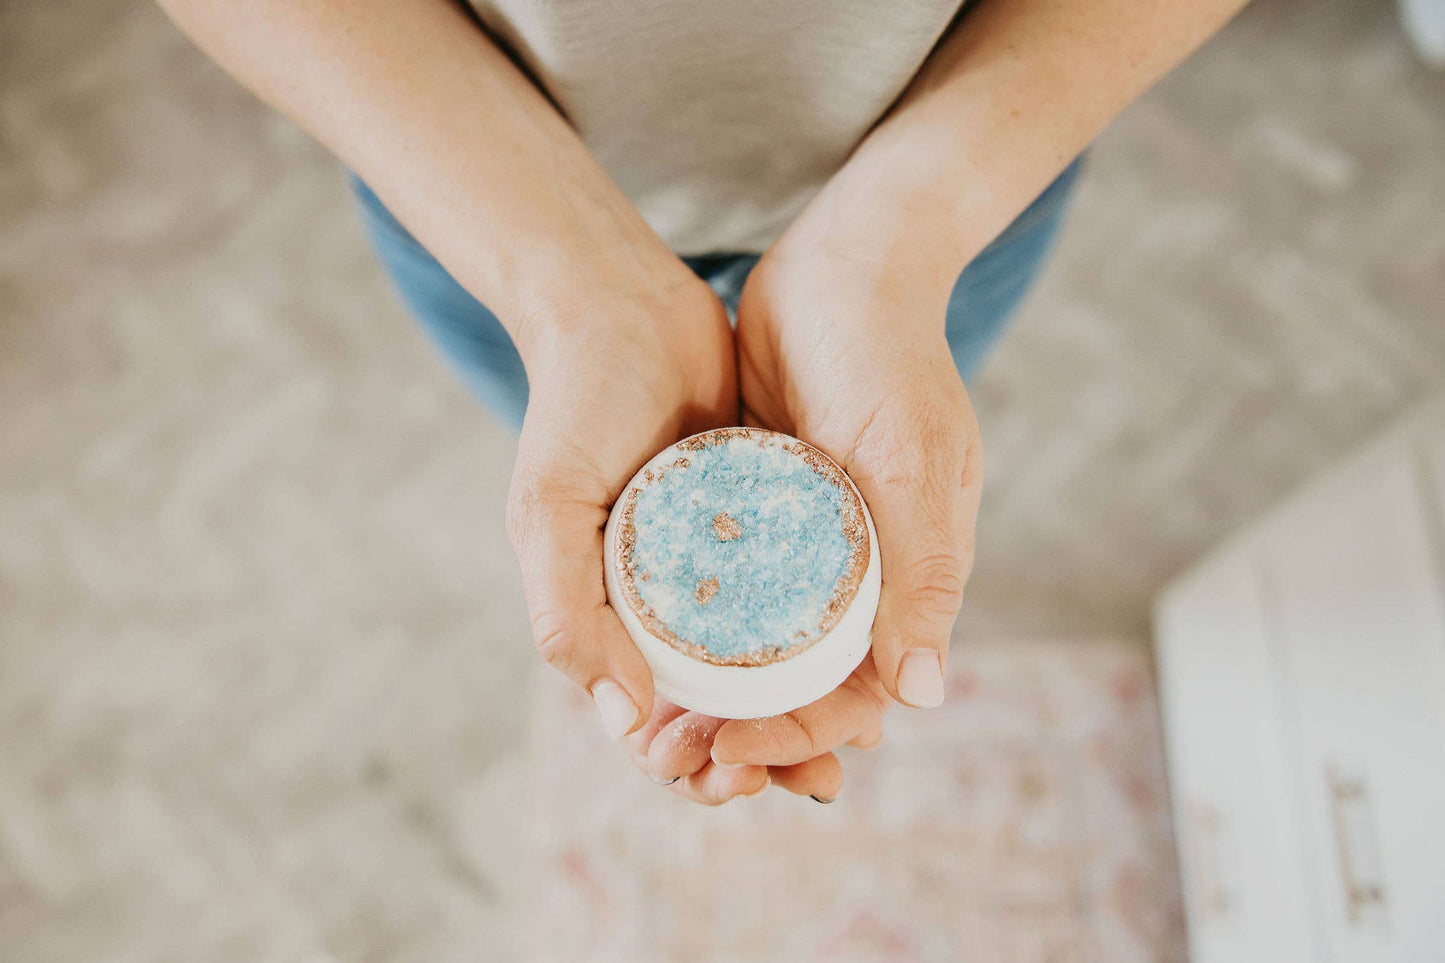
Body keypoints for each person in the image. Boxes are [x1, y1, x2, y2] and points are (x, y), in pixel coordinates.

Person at [159, 0, 1246, 805]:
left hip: (960, 169)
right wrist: (564, 271)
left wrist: (894, 236)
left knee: (895, 452)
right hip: (474, 179)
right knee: (567, 450)